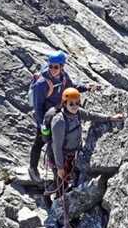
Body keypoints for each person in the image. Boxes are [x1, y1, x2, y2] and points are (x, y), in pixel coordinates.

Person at [28, 51, 94, 182]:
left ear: (62, 66)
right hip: (46, 117)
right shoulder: (42, 84)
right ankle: (33, 168)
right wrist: (42, 125)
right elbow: (38, 106)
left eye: (56, 67)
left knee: (58, 142)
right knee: (40, 141)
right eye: (51, 66)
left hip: (58, 112)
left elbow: (71, 87)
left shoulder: (63, 77)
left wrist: (86, 87)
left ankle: (59, 172)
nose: (53, 69)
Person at [44, 87, 123, 195]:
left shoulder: (77, 113)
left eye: (77, 103)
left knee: (67, 179)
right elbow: (56, 147)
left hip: (71, 154)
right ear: (64, 103)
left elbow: (91, 115)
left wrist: (110, 118)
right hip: (59, 156)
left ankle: (58, 195)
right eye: (71, 104)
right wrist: (60, 167)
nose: (75, 106)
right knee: (61, 182)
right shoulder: (59, 121)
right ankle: (52, 199)